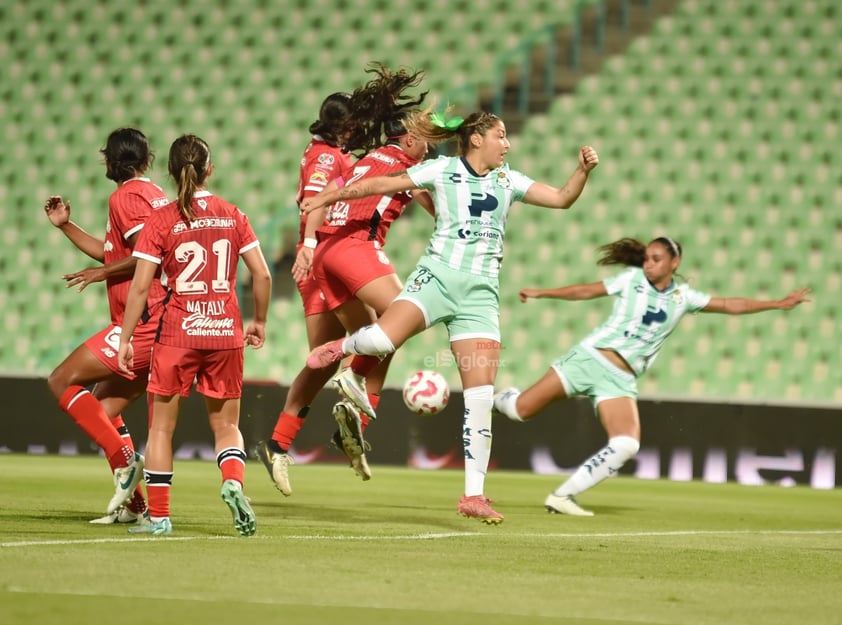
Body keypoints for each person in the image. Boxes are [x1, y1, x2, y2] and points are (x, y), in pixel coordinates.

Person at [304, 109, 600, 524]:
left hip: (480, 296)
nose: (507, 144)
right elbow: (382, 183)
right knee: (384, 341)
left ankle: (473, 497)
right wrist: (329, 197)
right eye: (501, 135)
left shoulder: (509, 180)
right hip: (436, 279)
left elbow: (562, 199)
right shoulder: (440, 169)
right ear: (477, 139)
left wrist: (581, 171)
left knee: (479, 398)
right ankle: (342, 347)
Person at [493, 236, 811, 516]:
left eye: (656, 259)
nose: (648, 264)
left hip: (619, 379)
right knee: (520, 411)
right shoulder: (630, 280)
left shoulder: (683, 297)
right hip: (589, 360)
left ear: (675, 262)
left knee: (626, 444)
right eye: (646, 258)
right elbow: (586, 291)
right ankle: (497, 399)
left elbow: (729, 304)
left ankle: (562, 496)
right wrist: (543, 293)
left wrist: (777, 304)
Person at [254, 64, 428, 493]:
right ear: (342, 127)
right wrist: (310, 243)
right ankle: (357, 406)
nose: (358, 131)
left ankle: (282, 442)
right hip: (321, 259)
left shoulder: (347, 156)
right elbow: (314, 199)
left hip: (325, 256)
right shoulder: (327, 157)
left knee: (341, 352)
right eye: (354, 125)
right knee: (381, 333)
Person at [117, 134, 271, 536]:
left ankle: (161, 517)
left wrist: (126, 338)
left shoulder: (163, 218)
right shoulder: (232, 213)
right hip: (225, 333)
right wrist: (260, 321)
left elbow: (138, 286)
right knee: (226, 427)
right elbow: (263, 273)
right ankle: (233, 482)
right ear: (210, 170)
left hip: (178, 333)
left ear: (169, 172)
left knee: (161, 429)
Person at [291, 114, 433, 481]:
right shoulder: (407, 167)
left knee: (383, 339)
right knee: (406, 315)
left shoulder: (362, 161)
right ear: (407, 142)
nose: (429, 145)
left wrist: (308, 242)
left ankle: (351, 424)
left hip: (324, 251)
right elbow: (432, 206)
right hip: (354, 248)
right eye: (423, 139)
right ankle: (341, 355)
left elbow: (323, 197)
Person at [44, 127, 169, 523]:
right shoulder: (152, 196)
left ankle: (124, 465)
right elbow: (115, 251)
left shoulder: (127, 196)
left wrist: (101, 275)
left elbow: (150, 253)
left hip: (146, 321)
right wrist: (66, 225)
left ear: (111, 161)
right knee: (102, 412)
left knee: (61, 381)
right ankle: (135, 508)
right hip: (160, 322)